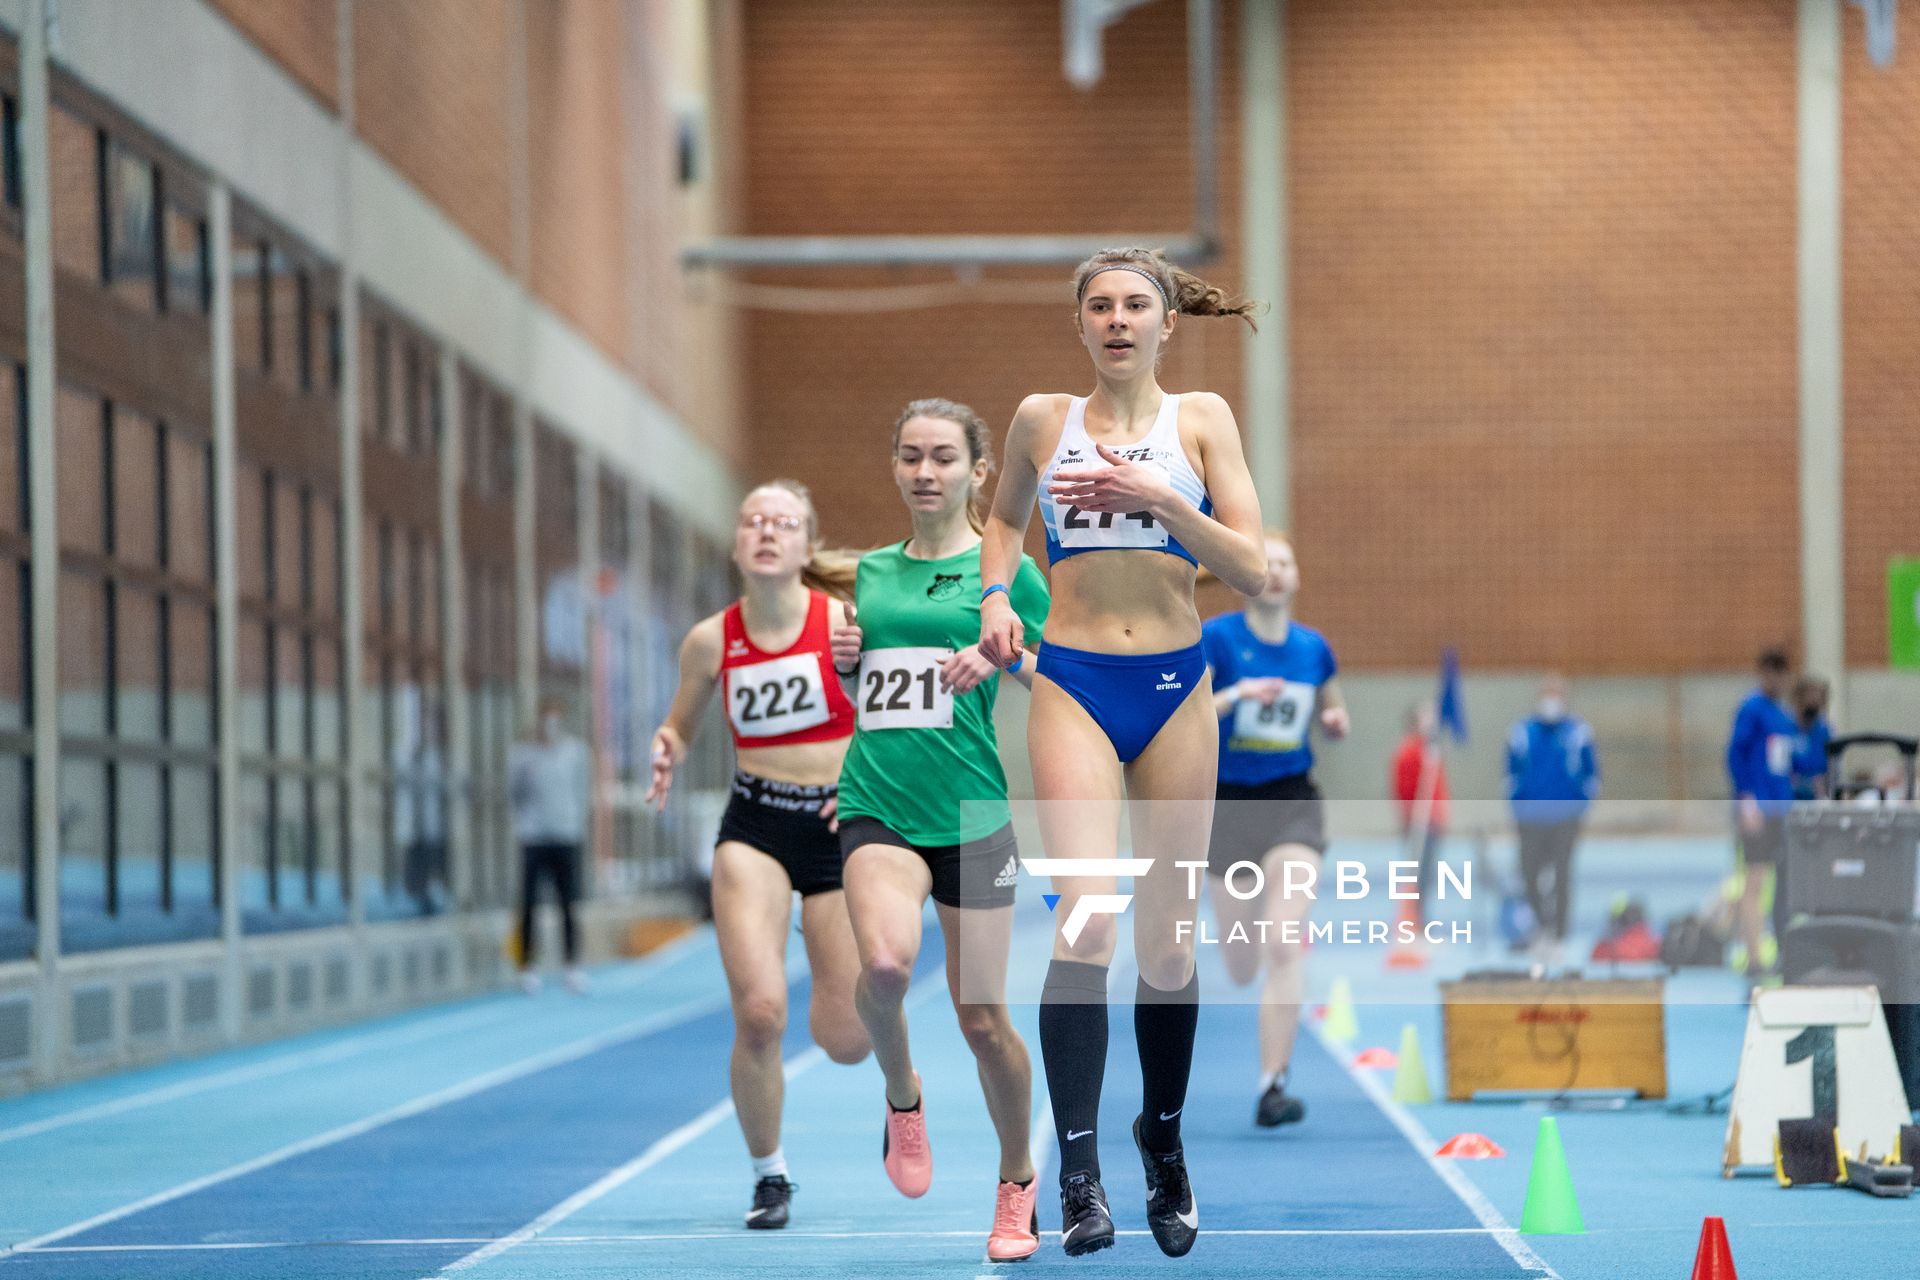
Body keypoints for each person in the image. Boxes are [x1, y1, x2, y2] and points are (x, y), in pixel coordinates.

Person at [978, 246, 1267, 1258]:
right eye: (1098, 304)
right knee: (1088, 928)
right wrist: (992, 598)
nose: (1115, 319)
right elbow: (1004, 520)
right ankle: (1082, 1171)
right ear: (1080, 322)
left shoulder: (1202, 420)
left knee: (1169, 944)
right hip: (1073, 685)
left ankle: (1167, 1142)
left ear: (1165, 321)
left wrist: (1167, 506)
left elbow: (1256, 565)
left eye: (1134, 303)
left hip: (1179, 689)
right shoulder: (1037, 421)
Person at [835, 399, 1051, 1262]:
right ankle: (901, 1096)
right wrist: (851, 663)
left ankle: (1016, 1182)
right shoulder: (871, 574)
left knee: (984, 1019)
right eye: (911, 456)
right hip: (876, 801)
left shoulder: (1010, 575)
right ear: (894, 466)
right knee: (885, 966)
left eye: (943, 459)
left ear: (978, 472)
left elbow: (1061, 678)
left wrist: (1005, 655)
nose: (926, 472)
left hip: (972, 811)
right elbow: (872, 679)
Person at [646, 481, 871, 1231]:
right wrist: (667, 746)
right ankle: (769, 1173)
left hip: (840, 826)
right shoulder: (712, 639)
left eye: (784, 523)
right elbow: (682, 722)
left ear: (808, 545)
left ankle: (892, 1078)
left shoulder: (845, 622)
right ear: (738, 543)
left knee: (846, 1039)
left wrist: (869, 781)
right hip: (756, 828)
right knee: (762, 1013)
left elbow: (897, 714)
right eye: (753, 522)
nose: (767, 532)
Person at [1200, 531, 1347, 1130]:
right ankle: (1249, 949)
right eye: (1268, 562)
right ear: (1246, 576)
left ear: (1296, 576)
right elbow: (1184, 716)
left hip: (1291, 802)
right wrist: (1235, 696)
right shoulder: (1218, 639)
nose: (1278, 571)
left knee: (1284, 939)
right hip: (1228, 807)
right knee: (1240, 963)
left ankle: (1273, 1084)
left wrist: (1336, 720)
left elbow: (1331, 707)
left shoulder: (1314, 649)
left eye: (1288, 562)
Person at [1505, 675, 1600, 963]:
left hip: (1565, 817)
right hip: (1531, 818)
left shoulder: (1578, 732)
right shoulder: (1522, 732)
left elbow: (1591, 774)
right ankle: (1540, 930)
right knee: (1530, 874)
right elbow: (1510, 774)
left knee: (1561, 875)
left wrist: (1581, 807)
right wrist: (1517, 807)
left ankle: (1559, 934)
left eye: (1556, 693)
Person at [1724, 647, 1799, 977]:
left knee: (1782, 886)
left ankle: (1782, 952)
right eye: (1769, 672)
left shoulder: (1783, 715)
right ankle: (1753, 957)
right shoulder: (1751, 709)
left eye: (1780, 673)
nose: (1775, 679)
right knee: (1754, 882)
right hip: (1757, 808)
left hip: (1781, 809)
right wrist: (1746, 799)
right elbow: (1735, 756)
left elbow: (1789, 763)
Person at [508, 699, 589, 992]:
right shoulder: (523, 755)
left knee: (568, 903)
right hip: (534, 839)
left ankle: (572, 965)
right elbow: (514, 792)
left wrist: (573, 822)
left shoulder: (575, 753)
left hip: (566, 836)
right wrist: (525, 825)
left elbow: (582, 790)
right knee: (529, 903)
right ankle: (527, 965)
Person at [1391, 702, 1449, 910]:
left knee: (1428, 875)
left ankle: (1422, 921)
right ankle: (1414, 922)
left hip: (1432, 820)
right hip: (1418, 823)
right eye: (1427, 717)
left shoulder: (1430, 751)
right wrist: (1411, 819)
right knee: (1418, 875)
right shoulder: (1408, 751)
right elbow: (1403, 789)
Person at [1790, 675, 1833, 801]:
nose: (1814, 702)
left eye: (1818, 700)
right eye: (1810, 698)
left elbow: (1830, 770)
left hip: (1816, 798)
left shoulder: (1824, 731)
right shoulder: (1785, 729)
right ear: (1798, 699)